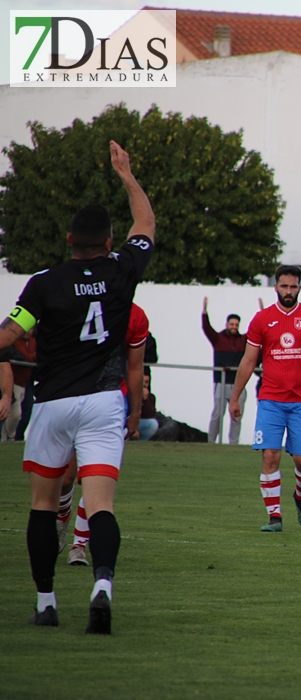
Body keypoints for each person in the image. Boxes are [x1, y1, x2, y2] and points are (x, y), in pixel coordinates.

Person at [0, 141, 154, 633]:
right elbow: (146, 226)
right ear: (110, 242)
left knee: (44, 505)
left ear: (69, 239)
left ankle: (46, 603)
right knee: (102, 502)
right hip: (105, 402)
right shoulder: (121, 271)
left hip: (52, 402)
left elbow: (12, 332)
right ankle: (102, 587)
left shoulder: (43, 284)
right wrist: (127, 176)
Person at [230, 265, 301, 532]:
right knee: (270, 456)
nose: (288, 291)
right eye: (284, 286)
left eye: (293, 287)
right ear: (276, 287)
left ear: (299, 288)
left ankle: (300, 497)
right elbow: (248, 360)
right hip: (271, 399)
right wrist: (235, 397)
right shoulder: (261, 319)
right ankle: (274, 517)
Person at [59, 302, 150, 567]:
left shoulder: (135, 315)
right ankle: (61, 517)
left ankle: (79, 546)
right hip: (72, 396)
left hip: (112, 402)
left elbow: (136, 366)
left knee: (95, 478)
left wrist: (135, 411)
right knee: (66, 478)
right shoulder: (77, 301)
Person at [201, 298, 247, 444]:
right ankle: (211, 442)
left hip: (238, 385)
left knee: (236, 417)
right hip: (221, 383)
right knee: (217, 415)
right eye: (231, 324)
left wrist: (263, 312)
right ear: (226, 324)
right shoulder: (218, 338)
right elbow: (207, 329)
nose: (234, 327)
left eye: (236, 325)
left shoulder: (243, 340)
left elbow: (255, 331)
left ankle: (233, 444)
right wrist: (204, 313)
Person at [3, 332, 35, 441]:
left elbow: (35, 356)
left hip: (26, 382)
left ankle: (13, 437)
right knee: (14, 414)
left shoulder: (34, 341)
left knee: (25, 412)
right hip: (14, 381)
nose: (28, 331)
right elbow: (19, 355)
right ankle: (9, 437)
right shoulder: (13, 341)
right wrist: (30, 357)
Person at [138, 374, 158, 441]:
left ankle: (141, 444)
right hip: (127, 423)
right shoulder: (128, 394)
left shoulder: (151, 397)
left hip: (140, 422)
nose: (144, 384)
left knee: (152, 424)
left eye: (146, 382)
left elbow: (151, 414)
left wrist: (145, 400)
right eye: (142, 381)